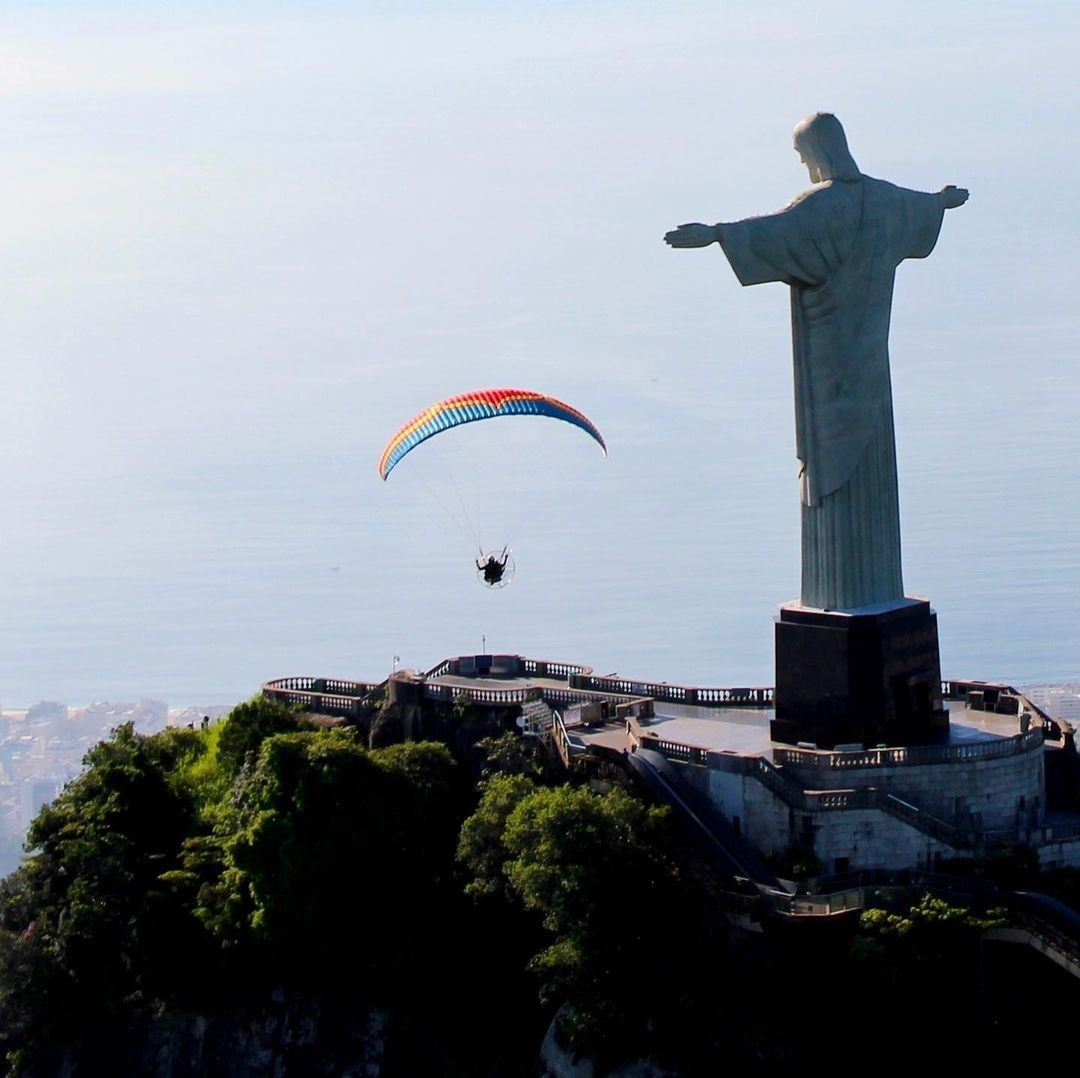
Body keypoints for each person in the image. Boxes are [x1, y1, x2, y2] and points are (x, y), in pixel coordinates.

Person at [665, 112, 968, 610]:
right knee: (871, 468)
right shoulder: (886, 199)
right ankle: (875, 594)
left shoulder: (820, 207)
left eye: (803, 154)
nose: (802, 162)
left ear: (819, 152)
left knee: (832, 477)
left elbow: (775, 232)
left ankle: (843, 599)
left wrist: (716, 233)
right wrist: (942, 201)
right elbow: (921, 207)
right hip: (871, 367)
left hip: (828, 372)